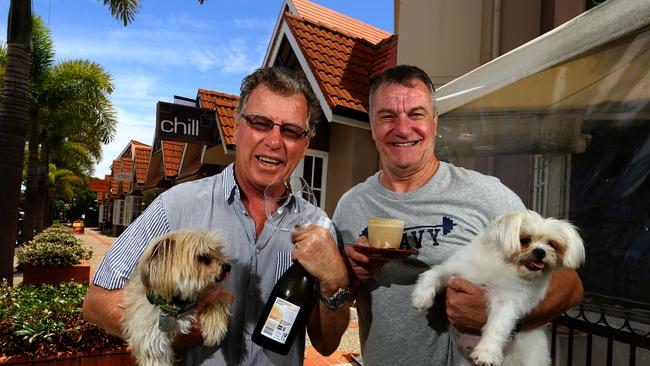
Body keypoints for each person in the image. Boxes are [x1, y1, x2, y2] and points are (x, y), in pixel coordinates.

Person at [83, 66, 350, 365]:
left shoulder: (320, 227)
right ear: (237, 127)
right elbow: (96, 302)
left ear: (305, 143)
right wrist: (170, 328)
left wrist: (336, 283)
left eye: (290, 130)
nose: (274, 141)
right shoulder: (175, 206)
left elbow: (326, 345)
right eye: (260, 123)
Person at [332, 65, 584, 365]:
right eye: (387, 116)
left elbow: (570, 285)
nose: (402, 128)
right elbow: (339, 300)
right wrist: (349, 277)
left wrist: (499, 319)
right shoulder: (351, 205)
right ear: (372, 126)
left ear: (434, 122)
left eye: (416, 114)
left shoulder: (487, 195)